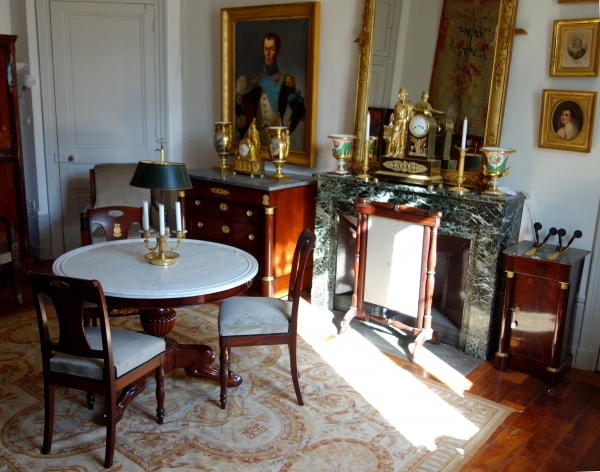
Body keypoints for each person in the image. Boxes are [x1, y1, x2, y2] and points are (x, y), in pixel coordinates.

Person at [235, 32, 306, 145]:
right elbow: (249, 107)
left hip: (276, 136)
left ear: (277, 52)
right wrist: (240, 125)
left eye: (271, 49)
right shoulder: (257, 81)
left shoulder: (286, 80)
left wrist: (286, 131)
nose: (267, 53)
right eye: (266, 49)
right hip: (256, 137)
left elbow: (297, 106)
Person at [384, 88, 414, 157]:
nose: (400, 96)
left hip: (404, 123)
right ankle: (393, 151)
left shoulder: (408, 104)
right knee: (394, 137)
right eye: (400, 94)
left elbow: (411, 112)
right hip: (397, 122)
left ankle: (400, 152)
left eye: (402, 94)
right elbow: (394, 114)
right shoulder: (397, 104)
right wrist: (391, 122)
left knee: (402, 138)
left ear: (405, 95)